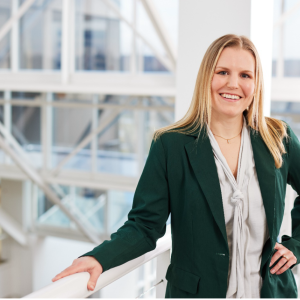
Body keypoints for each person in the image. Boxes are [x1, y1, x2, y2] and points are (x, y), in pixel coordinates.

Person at [52, 34, 300, 299]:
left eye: (245, 75)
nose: (233, 84)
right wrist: (99, 258)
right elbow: (144, 225)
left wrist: (296, 246)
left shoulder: (278, 137)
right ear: (207, 77)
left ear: (256, 83)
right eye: (223, 72)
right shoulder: (170, 144)